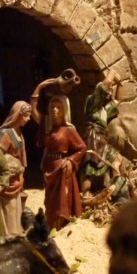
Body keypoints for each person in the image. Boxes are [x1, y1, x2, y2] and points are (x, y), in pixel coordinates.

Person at [40, 95, 86, 231]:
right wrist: (44, 168)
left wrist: (71, 160)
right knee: (50, 200)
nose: (55, 110)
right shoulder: (50, 131)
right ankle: (51, 225)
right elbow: (47, 150)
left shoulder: (69, 130)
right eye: (52, 107)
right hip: (50, 168)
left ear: (65, 110)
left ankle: (60, 226)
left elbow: (82, 147)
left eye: (59, 107)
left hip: (62, 170)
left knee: (61, 201)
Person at [80, 69, 124, 197]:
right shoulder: (93, 102)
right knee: (91, 165)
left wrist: (120, 83)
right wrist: (113, 72)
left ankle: (116, 191)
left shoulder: (105, 109)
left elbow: (119, 99)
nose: (110, 93)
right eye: (108, 91)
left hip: (102, 138)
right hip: (93, 136)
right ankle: (86, 194)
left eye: (111, 91)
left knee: (117, 159)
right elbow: (106, 83)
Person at [0, 101, 32, 235]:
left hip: (16, 177)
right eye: (25, 115)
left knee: (17, 206)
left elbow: (21, 156)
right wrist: (11, 165)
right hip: (7, 178)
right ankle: (8, 233)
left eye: (29, 115)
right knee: (8, 207)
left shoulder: (18, 133)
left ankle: (16, 231)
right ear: (17, 115)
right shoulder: (4, 133)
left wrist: (21, 170)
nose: (28, 119)